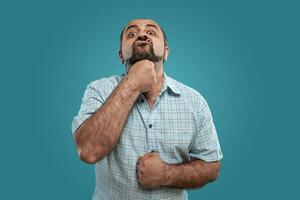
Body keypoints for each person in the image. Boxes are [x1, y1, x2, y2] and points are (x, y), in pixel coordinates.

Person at [71, 18, 223, 200]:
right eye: (132, 34)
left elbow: (211, 167)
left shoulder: (195, 101)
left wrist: (167, 174)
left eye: (151, 32)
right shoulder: (98, 90)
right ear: (121, 55)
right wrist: (133, 83)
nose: (142, 35)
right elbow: (89, 150)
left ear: (166, 52)